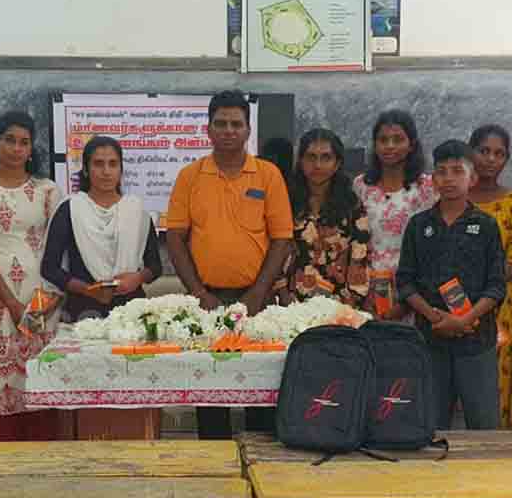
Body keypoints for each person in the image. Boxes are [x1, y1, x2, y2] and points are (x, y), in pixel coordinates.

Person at [396, 139, 512, 498]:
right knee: (431, 423)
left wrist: (465, 317)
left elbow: (496, 285)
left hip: (475, 341)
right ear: (432, 178)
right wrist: (434, 316)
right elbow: (405, 282)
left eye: (457, 171)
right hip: (430, 339)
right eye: (441, 171)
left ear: (472, 177)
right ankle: (433, 495)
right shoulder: (420, 225)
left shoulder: (485, 225)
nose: (448, 179)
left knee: (485, 426)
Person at [164, 90, 293, 439]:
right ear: (208, 129)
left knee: (260, 389)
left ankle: (261, 462)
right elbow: (175, 237)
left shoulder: (268, 175)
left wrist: (257, 293)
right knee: (209, 390)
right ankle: (214, 463)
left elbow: (281, 239)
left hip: (259, 302)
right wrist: (198, 293)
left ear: (248, 129)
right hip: (206, 302)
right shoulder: (190, 176)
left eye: (236, 123)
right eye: (220, 123)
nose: (228, 130)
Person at [0, 111, 63, 442]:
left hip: (42, 300)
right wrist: (12, 304)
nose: (16, 149)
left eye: (24, 142)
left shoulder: (48, 190)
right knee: (0, 394)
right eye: (9, 140)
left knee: (41, 390)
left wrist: (43, 305)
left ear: (32, 148)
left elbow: (59, 251)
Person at [41, 135, 162, 322]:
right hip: (82, 312)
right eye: (98, 164)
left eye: (113, 164)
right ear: (86, 170)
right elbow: (49, 268)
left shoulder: (136, 211)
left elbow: (155, 266)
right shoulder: (71, 209)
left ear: (121, 169)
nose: (106, 171)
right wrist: (88, 290)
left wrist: (137, 279)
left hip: (131, 313)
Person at [468, 124, 512, 432]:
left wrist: (472, 291)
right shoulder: (452, 199)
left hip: (500, 309)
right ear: (471, 153)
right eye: (484, 151)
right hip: (449, 307)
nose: (491, 159)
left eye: (499, 154)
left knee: (497, 386)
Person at [352, 110, 438, 322]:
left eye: (398, 139)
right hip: (366, 288)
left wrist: (407, 301)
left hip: (415, 290)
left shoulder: (427, 187)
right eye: (383, 140)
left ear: (412, 145)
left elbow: (433, 246)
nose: (389, 146)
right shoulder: (361, 185)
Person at [276, 128, 370, 307]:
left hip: (339, 305)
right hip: (290, 305)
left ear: (337, 163)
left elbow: (360, 258)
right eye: (311, 157)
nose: (317, 165)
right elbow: (275, 252)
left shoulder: (352, 206)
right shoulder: (285, 202)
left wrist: (346, 306)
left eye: (326, 157)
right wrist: (284, 296)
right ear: (301, 161)